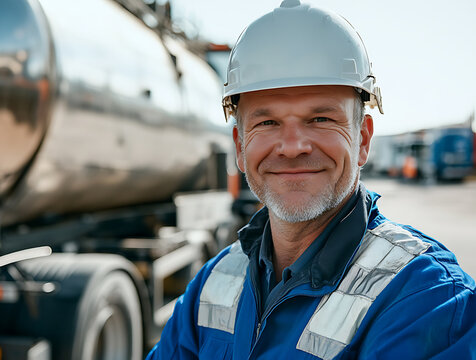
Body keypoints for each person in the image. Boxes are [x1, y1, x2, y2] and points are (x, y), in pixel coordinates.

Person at [146, 1, 476, 358]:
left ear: (362, 139)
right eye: (267, 122)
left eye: (320, 118)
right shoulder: (215, 280)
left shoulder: (426, 297)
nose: (292, 147)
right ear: (240, 147)